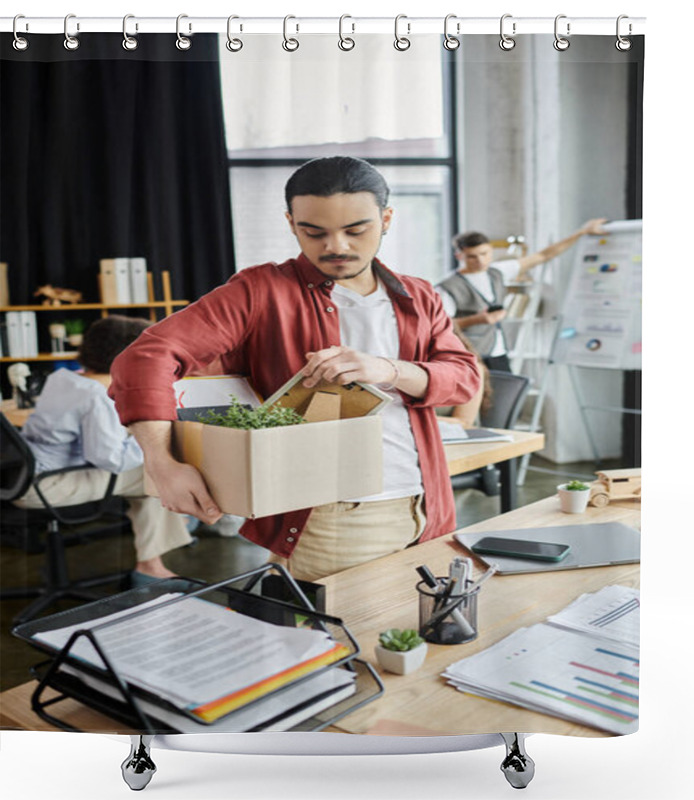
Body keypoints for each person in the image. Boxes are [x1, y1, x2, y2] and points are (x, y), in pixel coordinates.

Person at [109, 156, 481, 582]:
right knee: (346, 644)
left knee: (412, 639)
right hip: (338, 511)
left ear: (387, 219)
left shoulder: (418, 295)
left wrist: (387, 369)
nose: (336, 246)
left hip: (429, 500)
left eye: (356, 229)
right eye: (314, 232)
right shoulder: (260, 290)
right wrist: (161, 462)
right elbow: (144, 359)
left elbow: (463, 377)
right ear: (291, 223)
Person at [14, 316, 194, 584]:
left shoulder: (63, 378)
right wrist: (153, 437)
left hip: (19, 478)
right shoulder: (97, 396)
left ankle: (171, 534)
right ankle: (153, 562)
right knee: (159, 473)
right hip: (47, 486)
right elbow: (111, 459)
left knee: (153, 478)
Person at [436, 221, 607, 371]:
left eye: (485, 254)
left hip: (499, 353)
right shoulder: (446, 287)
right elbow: (441, 325)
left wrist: (581, 232)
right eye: (472, 257)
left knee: (506, 402)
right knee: (477, 405)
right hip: (469, 356)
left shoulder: (498, 272)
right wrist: (478, 320)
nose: (480, 261)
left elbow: (543, 255)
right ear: (459, 255)